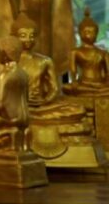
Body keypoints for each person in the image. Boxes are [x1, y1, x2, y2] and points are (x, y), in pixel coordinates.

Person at [12, 14, 92, 159]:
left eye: (32, 35)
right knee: (9, 116)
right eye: (23, 35)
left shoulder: (44, 61)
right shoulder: (10, 63)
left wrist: (45, 101)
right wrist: (19, 101)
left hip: (42, 107)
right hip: (18, 109)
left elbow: (54, 88)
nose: (28, 39)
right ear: (14, 37)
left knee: (77, 109)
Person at [64, 8, 109, 96]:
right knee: (66, 87)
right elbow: (73, 70)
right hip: (84, 84)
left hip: (100, 84)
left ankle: (96, 92)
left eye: (92, 32)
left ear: (96, 34)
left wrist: (107, 81)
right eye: (87, 32)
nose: (89, 35)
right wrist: (74, 81)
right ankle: (98, 92)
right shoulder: (75, 52)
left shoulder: (103, 53)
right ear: (81, 33)